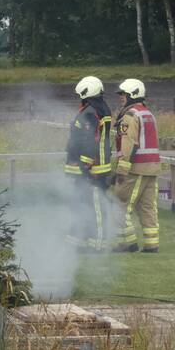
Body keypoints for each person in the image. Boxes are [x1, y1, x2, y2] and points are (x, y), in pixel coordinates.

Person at [63, 76, 112, 251]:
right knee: (82, 205)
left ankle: (97, 245)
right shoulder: (94, 110)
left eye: (81, 95)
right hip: (88, 169)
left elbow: (90, 141)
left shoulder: (91, 112)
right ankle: (81, 242)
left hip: (93, 171)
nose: (79, 98)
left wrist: (85, 166)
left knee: (96, 209)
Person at [111, 79, 160, 253]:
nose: (121, 98)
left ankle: (127, 244)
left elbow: (128, 143)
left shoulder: (130, 115)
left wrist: (121, 170)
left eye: (123, 94)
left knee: (119, 205)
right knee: (147, 208)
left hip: (135, 168)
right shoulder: (147, 113)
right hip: (151, 168)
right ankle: (151, 244)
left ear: (132, 94)